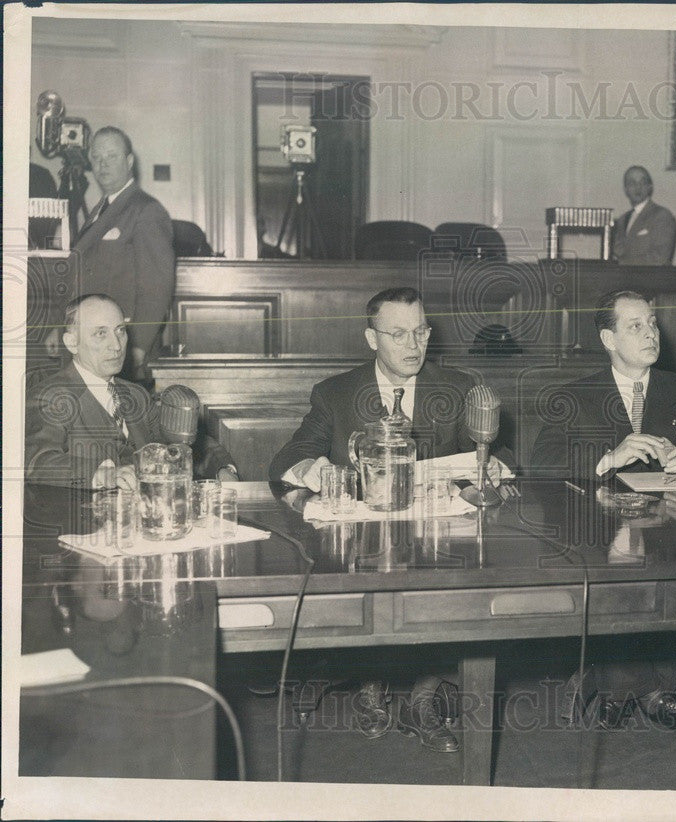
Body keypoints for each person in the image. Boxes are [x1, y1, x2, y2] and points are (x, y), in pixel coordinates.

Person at [270, 286, 497, 753]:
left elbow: (500, 452)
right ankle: (370, 680)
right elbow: (288, 458)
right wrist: (319, 470)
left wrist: (492, 464)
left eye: (420, 332)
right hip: (360, 545)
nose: (413, 345)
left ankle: (423, 697)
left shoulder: (457, 388)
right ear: (371, 339)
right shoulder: (335, 393)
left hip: (437, 541)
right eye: (398, 335)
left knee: (454, 574)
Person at [531, 290, 676, 731]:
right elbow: (542, 463)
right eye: (636, 326)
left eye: (652, 323)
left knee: (669, 567)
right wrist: (607, 457)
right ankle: (647, 691)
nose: (651, 333)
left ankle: (629, 690)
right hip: (595, 523)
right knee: (620, 566)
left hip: (674, 525)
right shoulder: (575, 395)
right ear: (609, 338)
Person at [25, 294, 237, 489]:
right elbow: (36, 461)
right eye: (101, 333)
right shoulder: (50, 396)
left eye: (120, 330)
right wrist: (102, 475)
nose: (116, 345)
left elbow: (179, 443)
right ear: (72, 343)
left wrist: (222, 468)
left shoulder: (136, 395)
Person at [44, 126, 176, 380]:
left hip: (118, 344)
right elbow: (78, 272)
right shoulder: (100, 209)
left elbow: (157, 287)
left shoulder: (146, 210)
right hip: (88, 341)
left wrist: (138, 346)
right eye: (96, 157)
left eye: (111, 156)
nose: (102, 164)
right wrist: (59, 327)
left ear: (129, 161)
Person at [611, 166, 676, 266]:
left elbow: (660, 257)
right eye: (632, 183)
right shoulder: (623, 219)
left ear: (650, 187)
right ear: (626, 189)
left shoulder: (662, 215)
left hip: (651, 279)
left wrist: (622, 264)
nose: (638, 187)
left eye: (642, 182)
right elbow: (618, 251)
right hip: (625, 279)